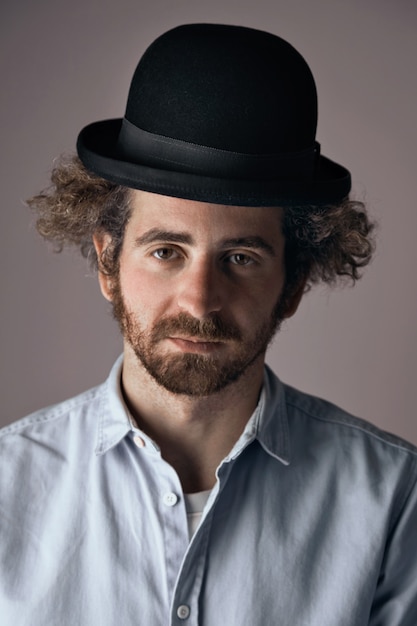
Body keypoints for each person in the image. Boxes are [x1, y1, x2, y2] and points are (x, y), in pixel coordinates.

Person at [1, 23, 416, 625]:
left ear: (294, 284)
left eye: (240, 259)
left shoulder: (396, 500)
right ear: (107, 264)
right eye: (166, 251)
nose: (200, 301)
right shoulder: (9, 488)